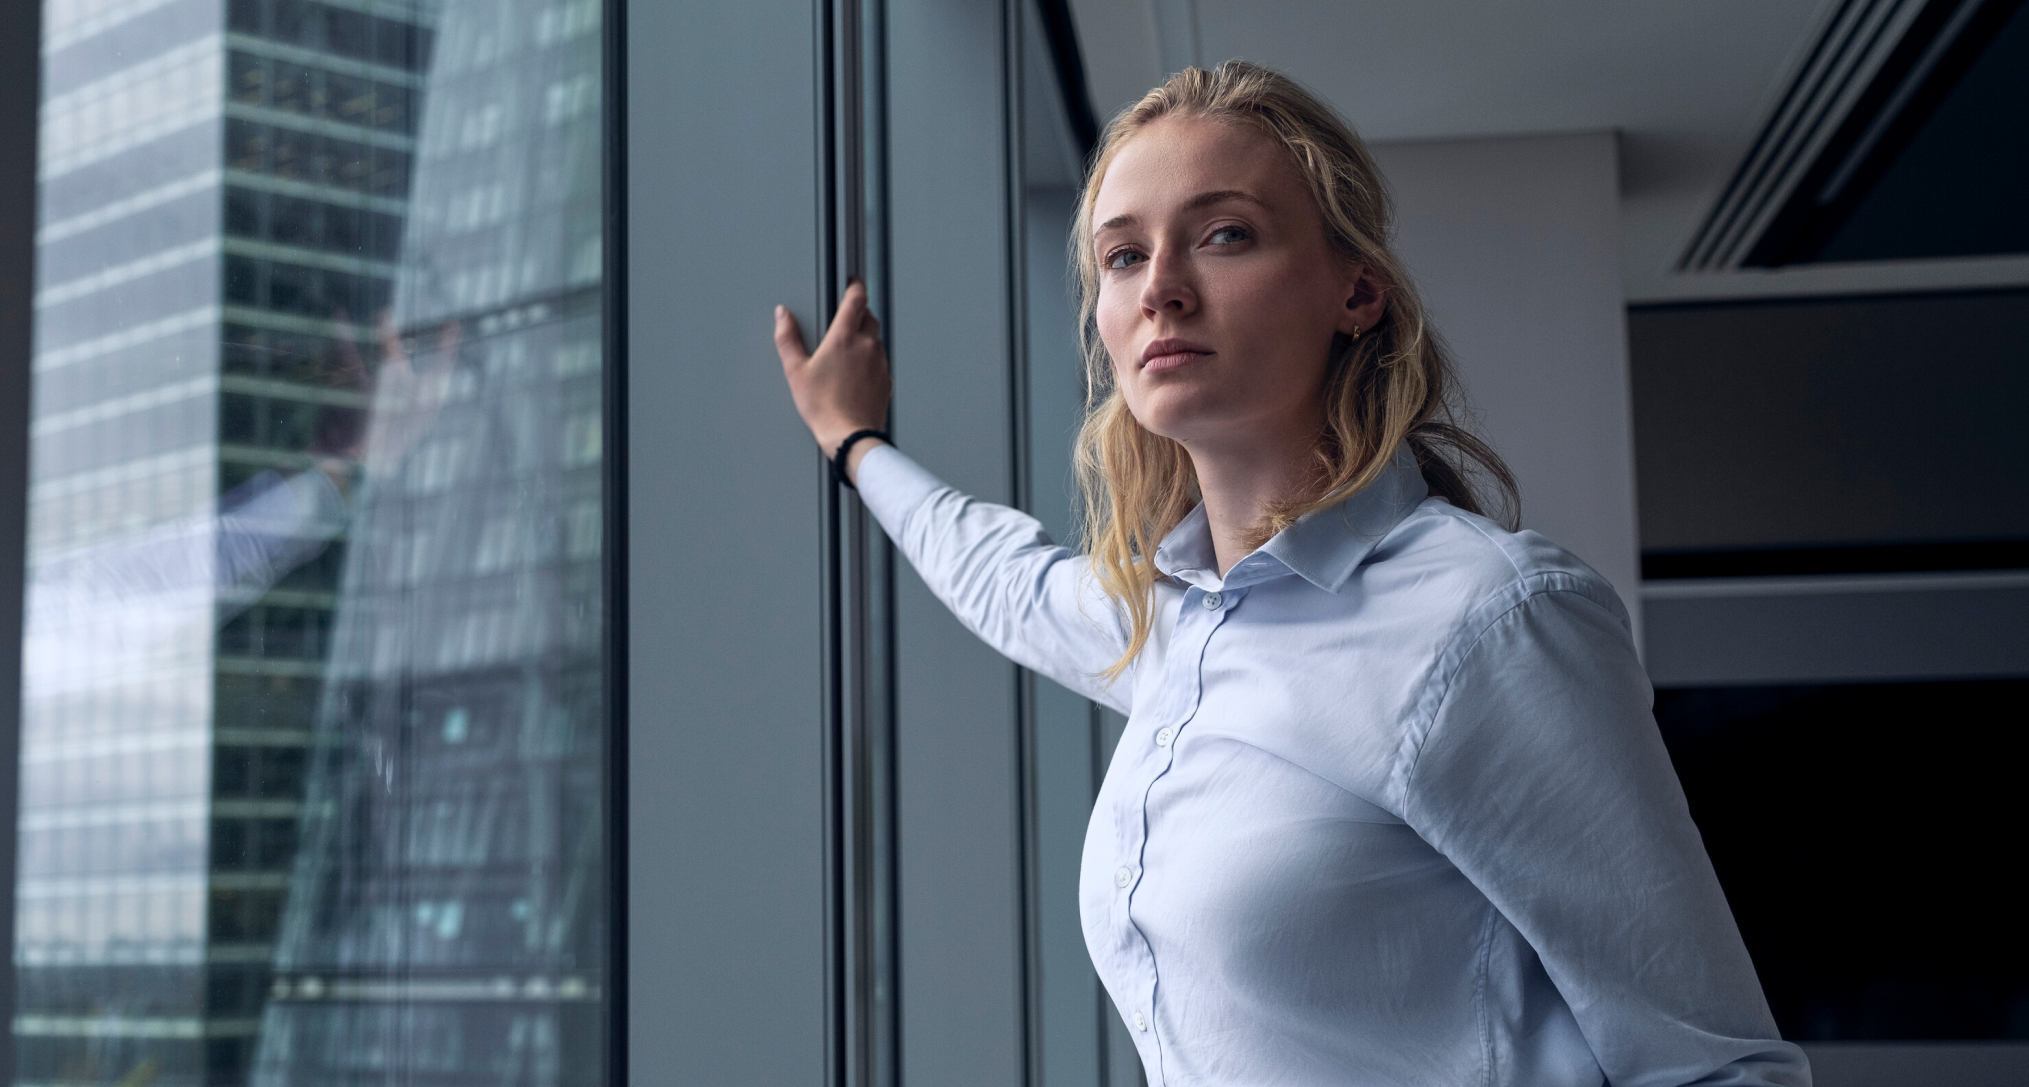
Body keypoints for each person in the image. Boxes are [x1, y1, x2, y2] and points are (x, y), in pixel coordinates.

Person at [774, 61, 1808, 1087]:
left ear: (1354, 290)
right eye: (1122, 256)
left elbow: (1718, 1069)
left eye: (1223, 235)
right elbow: (1003, 575)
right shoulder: (1168, 623)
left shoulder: (1486, 618)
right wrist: (851, 440)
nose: (1161, 289)